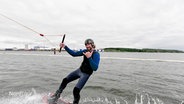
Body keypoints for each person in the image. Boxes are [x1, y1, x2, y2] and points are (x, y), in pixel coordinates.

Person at [49, 39, 100, 104]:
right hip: (80, 70)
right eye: (86, 45)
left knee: (76, 90)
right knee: (65, 80)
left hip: (86, 74)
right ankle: (56, 96)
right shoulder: (85, 51)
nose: (87, 46)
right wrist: (65, 46)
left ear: (92, 44)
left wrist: (89, 57)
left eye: (88, 44)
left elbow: (95, 68)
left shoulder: (96, 54)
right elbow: (74, 54)